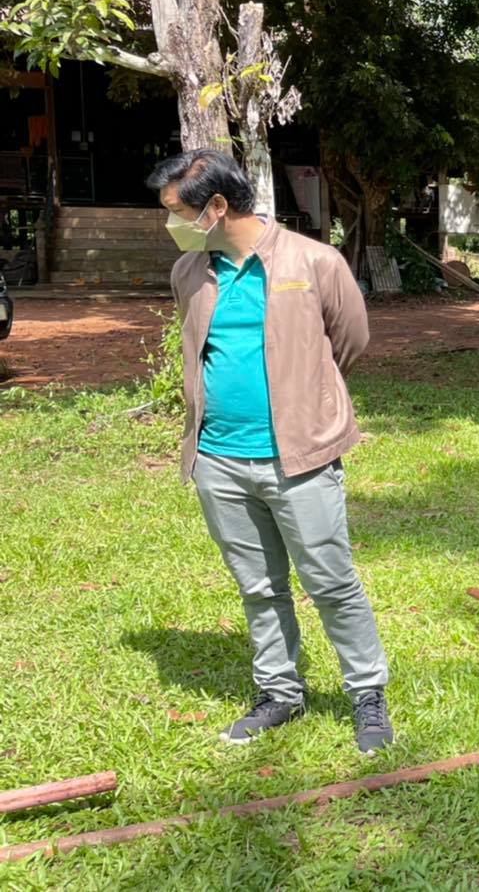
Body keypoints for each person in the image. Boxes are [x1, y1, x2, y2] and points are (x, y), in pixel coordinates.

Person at [148, 149, 393, 752]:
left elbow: (350, 339)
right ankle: (279, 692)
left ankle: (367, 695)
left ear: (217, 206)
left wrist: (307, 402)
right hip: (219, 461)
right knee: (258, 587)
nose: (170, 225)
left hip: (300, 459)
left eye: (176, 212)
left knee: (331, 582)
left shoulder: (313, 261)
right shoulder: (191, 272)